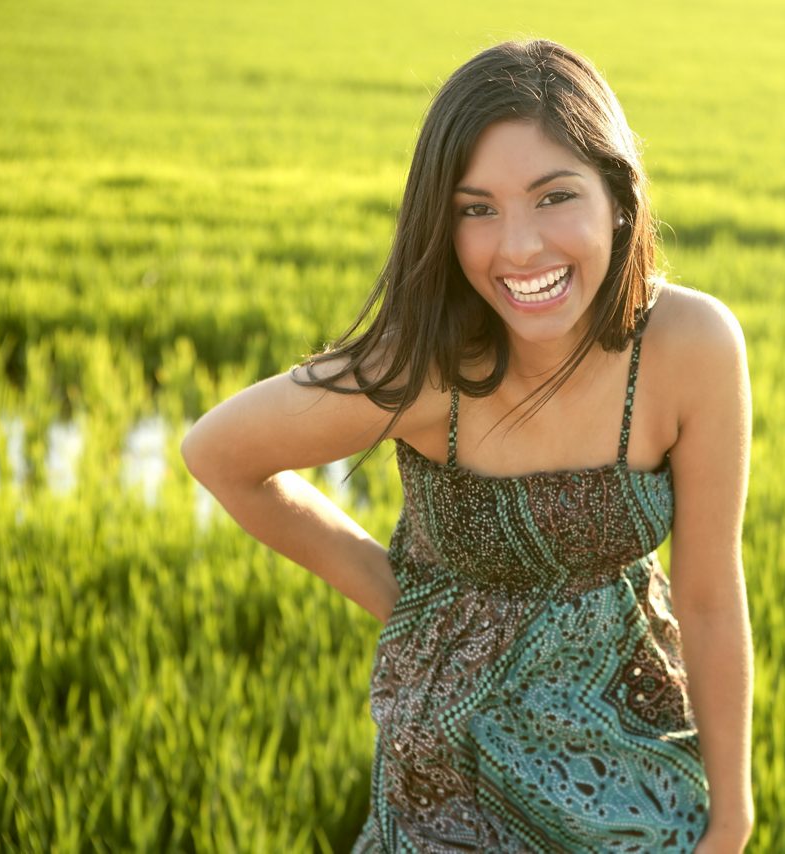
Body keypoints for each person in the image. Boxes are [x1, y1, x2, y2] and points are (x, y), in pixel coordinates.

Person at [182, 39, 753, 853]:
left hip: (638, 768)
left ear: (619, 197)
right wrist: (405, 599)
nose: (517, 248)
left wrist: (731, 818)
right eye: (476, 208)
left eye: (554, 197)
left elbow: (707, 595)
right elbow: (220, 452)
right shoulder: (426, 368)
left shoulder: (690, 346)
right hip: (450, 782)